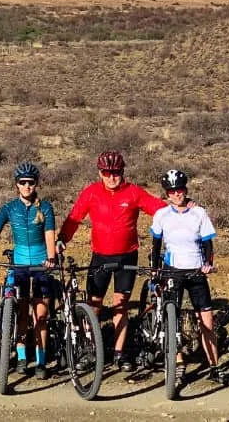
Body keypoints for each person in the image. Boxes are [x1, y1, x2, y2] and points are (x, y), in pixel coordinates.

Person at [59, 151, 166, 372]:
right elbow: (74, 218)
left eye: (115, 172)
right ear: (100, 172)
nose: (111, 177)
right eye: (106, 172)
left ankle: (119, 353)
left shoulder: (133, 192)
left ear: (122, 171)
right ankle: (90, 351)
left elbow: (160, 209)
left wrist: (184, 207)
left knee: (121, 304)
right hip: (100, 256)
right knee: (94, 305)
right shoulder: (91, 192)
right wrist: (61, 240)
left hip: (127, 255)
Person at [148, 169, 229, 386]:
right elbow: (156, 244)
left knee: (207, 321)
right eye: (172, 191)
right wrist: (155, 268)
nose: (177, 194)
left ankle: (214, 366)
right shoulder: (161, 215)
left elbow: (207, 243)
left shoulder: (199, 213)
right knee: (172, 319)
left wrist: (208, 264)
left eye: (180, 190)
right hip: (173, 270)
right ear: (167, 194)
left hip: (196, 271)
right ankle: (177, 364)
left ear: (186, 190)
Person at [0, 161, 58, 380]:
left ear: (36, 184)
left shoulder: (46, 207)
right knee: (21, 312)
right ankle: (22, 356)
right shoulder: (9, 208)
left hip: (41, 263)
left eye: (31, 182)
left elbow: (50, 234)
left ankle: (41, 360)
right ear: (17, 185)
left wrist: (51, 257)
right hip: (20, 264)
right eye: (22, 182)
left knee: (40, 315)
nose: (27, 186)